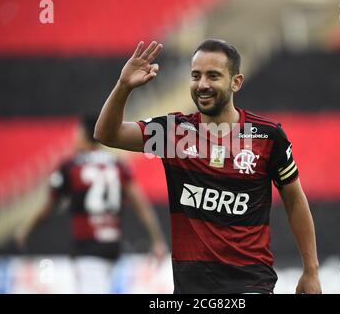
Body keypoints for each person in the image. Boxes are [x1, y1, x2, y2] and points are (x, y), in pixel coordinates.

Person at [94, 39, 321, 294]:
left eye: (213, 76)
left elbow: (294, 201)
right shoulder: (172, 132)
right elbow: (107, 134)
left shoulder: (268, 137)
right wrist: (123, 86)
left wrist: (311, 270)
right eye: (196, 76)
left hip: (250, 284)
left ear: (236, 82)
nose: (203, 85)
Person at [15, 116, 167, 293]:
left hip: (88, 248)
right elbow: (140, 204)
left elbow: (50, 205)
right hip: (113, 247)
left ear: (84, 135)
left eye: (77, 133)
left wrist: (27, 228)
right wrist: (157, 239)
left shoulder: (71, 167)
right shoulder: (117, 164)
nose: (74, 138)